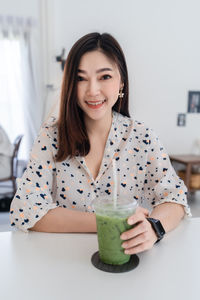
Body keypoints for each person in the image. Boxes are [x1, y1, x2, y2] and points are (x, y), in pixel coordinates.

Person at [10, 32, 191, 255]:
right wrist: (108, 221)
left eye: (104, 77)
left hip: (125, 261)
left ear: (121, 80)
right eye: (80, 78)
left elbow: (175, 197)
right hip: (61, 263)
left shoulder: (142, 137)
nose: (93, 90)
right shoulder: (51, 136)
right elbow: (26, 210)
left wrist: (154, 227)